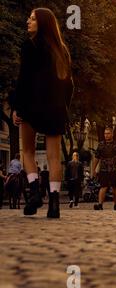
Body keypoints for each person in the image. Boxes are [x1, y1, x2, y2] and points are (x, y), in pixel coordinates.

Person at [9, 8, 74, 218]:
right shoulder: (62, 50)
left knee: (27, 150)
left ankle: (35, 192)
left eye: (33, 18)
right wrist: (64, 107)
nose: (28, 21)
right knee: (54, 157)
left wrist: (16, 107)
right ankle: (54, 204)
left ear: (43, 23)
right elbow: (68, 85)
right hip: (55, 108)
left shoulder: (31, 45)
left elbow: (24, 78)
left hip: (31, 105)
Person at [92, 127, 116, 211]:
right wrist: (93, 169)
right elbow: (96, 157)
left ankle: (115, 204)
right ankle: (100, 204)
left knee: (115, 187)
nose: (106, 135)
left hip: (114, 168)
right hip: (103, 168)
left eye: (108, 133)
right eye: (105, 134)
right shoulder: (101, 144)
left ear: (112, 134)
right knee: (103, 186)